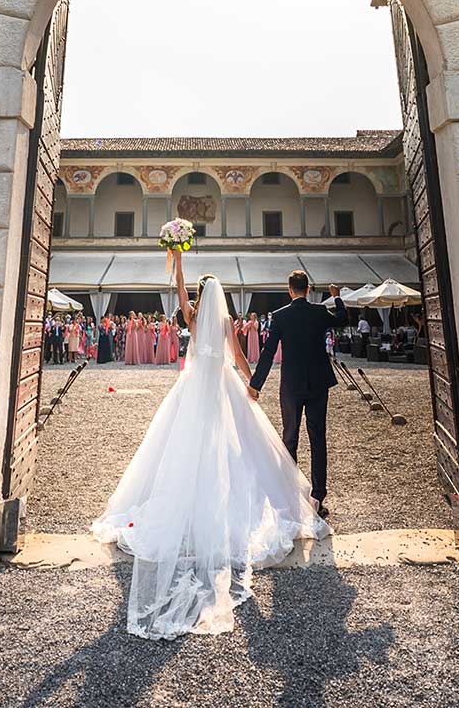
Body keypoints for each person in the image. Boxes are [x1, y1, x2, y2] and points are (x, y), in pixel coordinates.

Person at [91, 247, 327, 640]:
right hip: (221, 387)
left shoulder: (193, 317)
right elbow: (237, 355)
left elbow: (180, 294)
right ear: (222, 298)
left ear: (200, 296)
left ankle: (188, 503)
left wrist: (178, 262)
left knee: (181, 446)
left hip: (193, 387)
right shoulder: (226, 320)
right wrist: (252, 385)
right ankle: (225, 506)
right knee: (236, 449)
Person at [247, 270, 350, 517]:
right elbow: (342, 319)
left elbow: (268, 352)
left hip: (291, 385)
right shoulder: (318, 312)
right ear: (308, 289)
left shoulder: (280, 316)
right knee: (318, 439)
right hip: (318, 383)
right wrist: (336, 297)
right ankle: (317, 497)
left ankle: (290, 495)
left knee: (289, 438)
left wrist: (256, 383)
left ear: (290, 290)